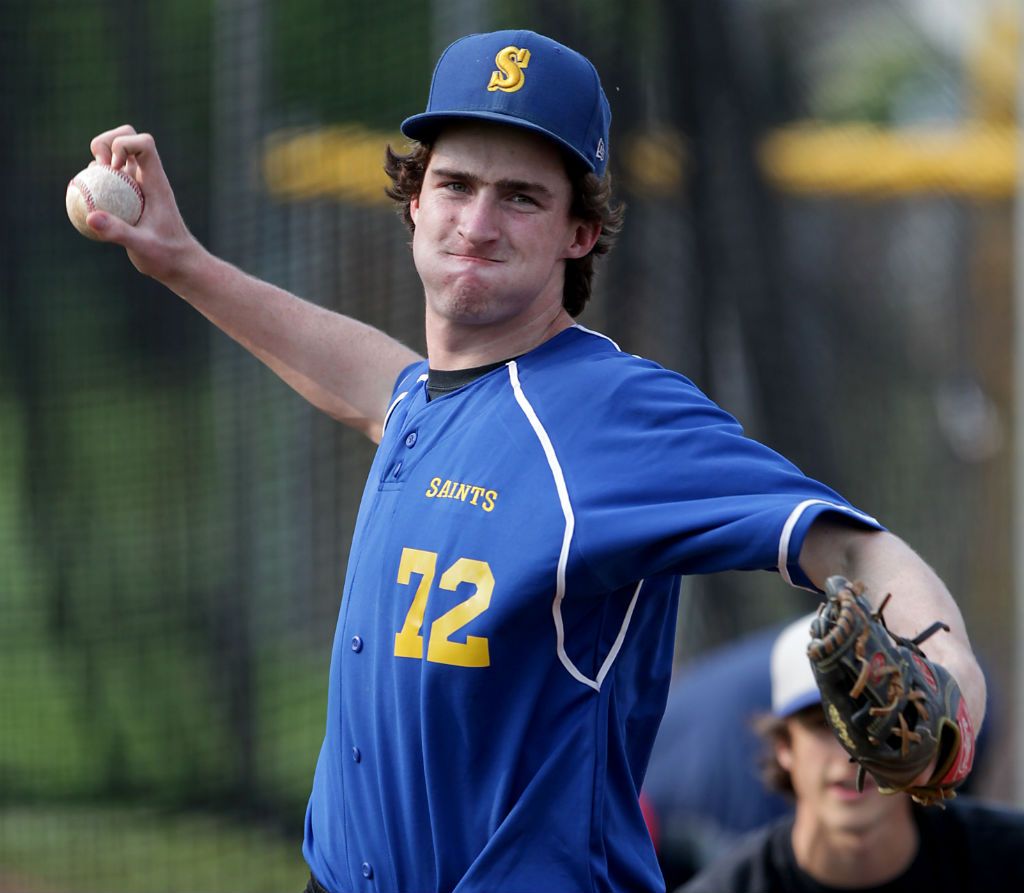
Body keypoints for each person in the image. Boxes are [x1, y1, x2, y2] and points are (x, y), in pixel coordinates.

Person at [82, 28, 986, 893]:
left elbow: (854, 546)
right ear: (414, 201)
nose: (477, 221)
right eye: (455, 184)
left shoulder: (611, 412)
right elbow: (368, 380)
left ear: (579, 233)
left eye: (521, 196)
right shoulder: (432, 401)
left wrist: (952, 684)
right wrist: (180, 261)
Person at [679, 614, 1021, 893]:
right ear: (784, 747)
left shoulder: (1008, 859)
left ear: (917, 728)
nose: (851, 751)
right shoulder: (727, 886)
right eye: (823, 726)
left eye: (875, 718)